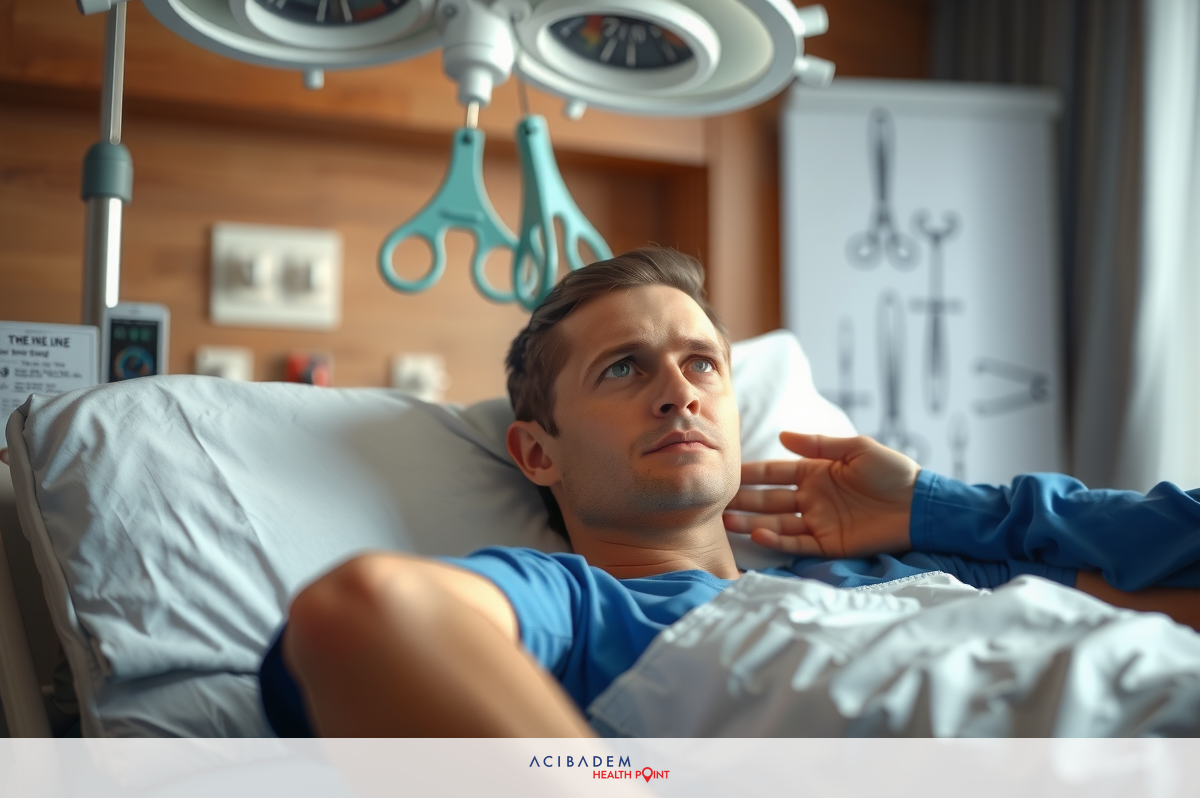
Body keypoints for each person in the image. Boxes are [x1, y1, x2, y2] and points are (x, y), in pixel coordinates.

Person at [259, 247, 1200, 738]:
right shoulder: (586, 614)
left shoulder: (917, 565)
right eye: (624, 368)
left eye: (702, 363)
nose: (680, 391)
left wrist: (943, 507)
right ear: (536, 454)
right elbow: (364, 615)